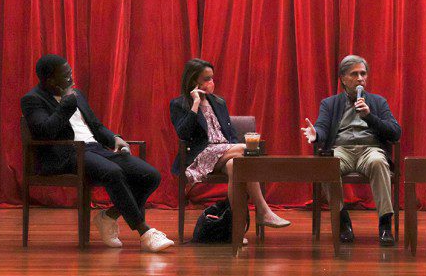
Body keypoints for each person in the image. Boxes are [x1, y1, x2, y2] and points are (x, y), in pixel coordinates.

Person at [20, 55, 172, 252]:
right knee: (113, 172)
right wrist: (67, 104)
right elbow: (45, 131)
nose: (71, 79)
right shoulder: (33, 100)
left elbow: (96, 126)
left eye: (71, 73)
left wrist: (114, 138)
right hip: (67, 154)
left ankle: (108, 217)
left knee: (150, 175)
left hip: (93, 149)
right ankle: (145, 233)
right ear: (50, 80)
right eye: (66, 76)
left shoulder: (77, 94)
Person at [170, 58, 290, 240]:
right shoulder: (179, 104)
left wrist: (231, 147)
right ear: (194, 81)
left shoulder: (218, 102)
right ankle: (263, 211)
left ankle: (236, 229)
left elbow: (230, 134)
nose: (212, 82)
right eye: (206, 79)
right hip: (200, 156)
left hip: (224, 152)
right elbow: (183, 134)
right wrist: (195, 104)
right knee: (245, 149)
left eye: (212, 78)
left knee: (237, 166)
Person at [301, 55, 402, 246]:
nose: (360, 78)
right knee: (327, 167)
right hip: (342, 149)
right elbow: (321, 127)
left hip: (370, 149)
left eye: (363, 74)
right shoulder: (330, 103)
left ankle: (385, 223)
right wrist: (316, 134)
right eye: (354, 74)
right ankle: (343, 222)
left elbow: (395, 132)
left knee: (379, 162)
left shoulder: (378, 102)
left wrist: (369, 116)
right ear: (343, 78)